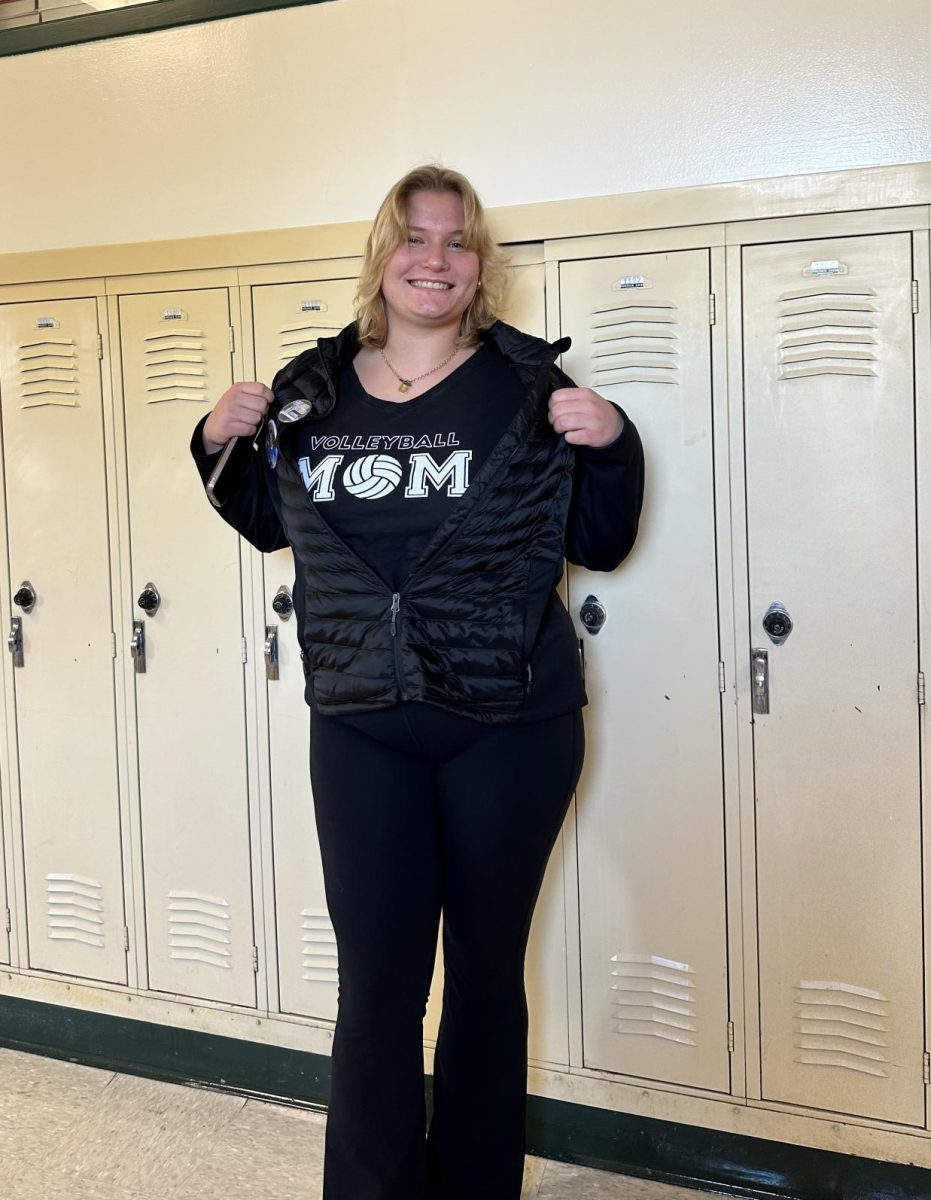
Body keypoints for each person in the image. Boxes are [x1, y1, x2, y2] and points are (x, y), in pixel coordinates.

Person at [192, 165, 644, 1200]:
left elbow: (603, 542)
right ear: (381, 256)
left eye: (456, 242)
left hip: (509, 723)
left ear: (478, 266)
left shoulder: (529, 387)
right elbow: (265, 516)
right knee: (378, 989)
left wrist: (613, 447)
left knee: (485, 980)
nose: (434, 260)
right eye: (415, 238)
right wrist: (215, 440)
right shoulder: (312, 387)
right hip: (359, 722)